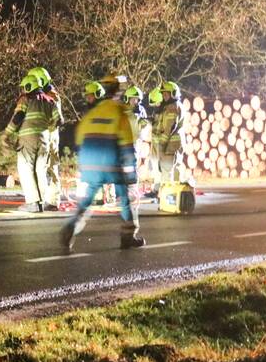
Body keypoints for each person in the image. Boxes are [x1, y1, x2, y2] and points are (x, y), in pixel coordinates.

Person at [60, 74, 145, 251]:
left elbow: (80, 137)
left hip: (90, 162)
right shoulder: (121, 111)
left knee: (87, 199)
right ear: (119, 90)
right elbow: (128, 142)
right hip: (111, 161)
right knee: (124, 197)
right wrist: (131, 172)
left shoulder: (92, 112)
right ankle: (128, 236)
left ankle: (72, 227)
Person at [5, 71, 61, 212]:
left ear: (29, 86)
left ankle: (33, 203)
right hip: (45, 140)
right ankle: (45, 201)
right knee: (41, 171)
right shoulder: (51, 99)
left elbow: (17, 117)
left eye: (24, 87)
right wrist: (49, 128)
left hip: (27, 141)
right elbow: (59, 119)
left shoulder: (25, 100)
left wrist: (6, 134)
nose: (23, 90)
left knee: (26, 169)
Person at [30, 67, 64, 210]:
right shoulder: (46, 95)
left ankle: (51, 200)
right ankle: (45, 199)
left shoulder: (51, 96)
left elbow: (55, 119)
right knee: (44, 167)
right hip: (45, 135)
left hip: (49, 135)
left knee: (49, 167)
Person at [151, 80, 187, 193]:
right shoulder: (176, 105)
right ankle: (177, 194)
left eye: (166, 93)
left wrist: (161, 145)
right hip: (176, 144)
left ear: (173, 93)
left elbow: (169, 128)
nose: (164, 96)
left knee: (167, 171)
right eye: (163, 94)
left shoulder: (172, 107)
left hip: (170, 145)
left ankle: (167, 196)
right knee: (176, 170)